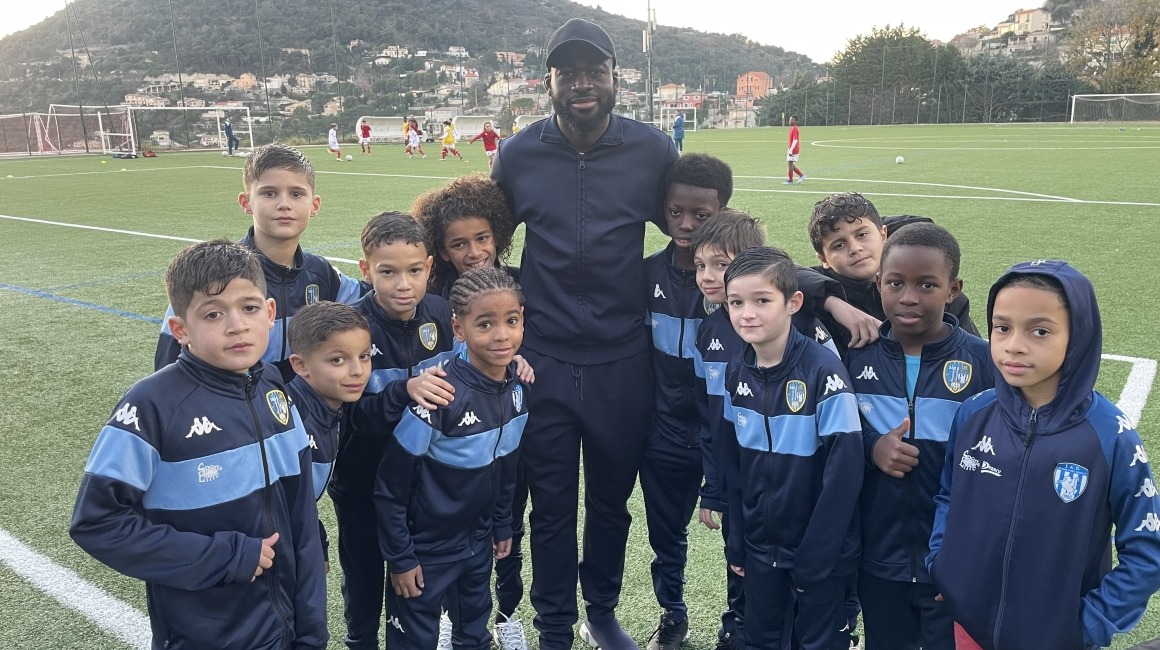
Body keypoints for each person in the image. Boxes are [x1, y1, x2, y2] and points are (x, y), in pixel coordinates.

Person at [490, 17, 679, 650]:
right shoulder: (517, 155)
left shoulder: (653, 151)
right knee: (549, 507)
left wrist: (814, 288)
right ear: (547, 81)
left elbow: (703, 237)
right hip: (541, 360)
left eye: (594, 71)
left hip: (623, 362)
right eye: (567, 73)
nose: (582, 84)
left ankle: (600, 611)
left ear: (615, 77)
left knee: (609, 504)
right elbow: (481, 245)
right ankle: (554, 627)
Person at [70, 239, 328, 649]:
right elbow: (97, 522)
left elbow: (302, 521)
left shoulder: (274, 390)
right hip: (203, 635)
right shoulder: (153, 405)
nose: (236, 325)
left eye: (249, 308)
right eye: (213, 314)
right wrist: (225, 556)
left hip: (285, 634)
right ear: (181, 330)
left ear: (270, 313)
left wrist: (312, 633)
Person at [928, 260, 1160, 650]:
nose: (1014, 345)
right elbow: (950, 496)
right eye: (1002, 327)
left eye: (1039, 331)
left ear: (1078, 337)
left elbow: (1147, 546)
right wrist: (945, 566)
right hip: (970, 629)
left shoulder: (1110, 434)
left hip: (1058, 639)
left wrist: (1090, 623)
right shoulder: (973, 413)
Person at [846, 223, 993, 650]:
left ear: (953, 290)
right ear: (878, 284)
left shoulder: (983, 362)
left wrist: (968, 559)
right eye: (896, 283)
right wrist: (872, 446)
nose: (908, 297)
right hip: (878, 561)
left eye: (926, 285)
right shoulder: (854, 357)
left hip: (953, 564)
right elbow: (832, 435)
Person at [327, 211, 462, 650]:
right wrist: (404, 391)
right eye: (388, 272)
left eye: (414, 271)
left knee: (415, 580)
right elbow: (348, 417)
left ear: (429, 267)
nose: (403, 284)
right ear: (366, 270)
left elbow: (466, 372)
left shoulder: (441, 312)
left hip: (424, 484)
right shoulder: (349, 327)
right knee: (364, 578)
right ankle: (361, 641)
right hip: (362, 484)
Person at [376, 267, 528, 650]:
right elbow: (390, 487)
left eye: (511, 321)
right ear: (458, 328)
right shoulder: (439, 396)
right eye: (485, 324)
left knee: (474, 636)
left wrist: (502, 525)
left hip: (478, 545)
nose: (501, 335)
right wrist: (401, 557)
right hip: (425, 552)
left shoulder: (518, 391)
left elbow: (505, 470)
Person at [720, 246, 863, 650]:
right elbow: (733, 466)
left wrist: (817, 556)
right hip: (760, 550)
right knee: (761, 639)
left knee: (818, 642)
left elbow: (845, 473)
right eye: (736, 303)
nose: (747, 313)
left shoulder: (824, 371)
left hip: (819, 556)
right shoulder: (736, 371)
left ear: (793, 303)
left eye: (762, 301)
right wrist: (738, 540)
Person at [411, 174, 529, 649]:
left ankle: (507, 614)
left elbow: (524, 342)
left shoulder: (516, 283)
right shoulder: (430, 299)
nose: (474, 251)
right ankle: (448, 613)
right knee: (448, 529)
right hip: (448, 436)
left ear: (498, 234)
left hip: (504, 429)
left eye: (482, 238)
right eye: (459, 244)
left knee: (508, 524)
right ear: (441, 250)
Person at [153, 144, 364, 375]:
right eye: (269, 193)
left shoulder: (321, 273)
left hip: (299, 399)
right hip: (231, 398)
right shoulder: (210, 272)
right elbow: (169, 366)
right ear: (246, 202)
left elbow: (377, 300)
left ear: (314, 206)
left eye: (296, 194)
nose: (284, 204)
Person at [640, 152, 734, 650]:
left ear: (722, 213)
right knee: (666, 535)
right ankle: (672, 614)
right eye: (676, 212)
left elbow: (790, 280)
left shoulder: (738, 280)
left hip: (728, 433)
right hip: (664, 433)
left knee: (741, 536)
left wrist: (829, 295)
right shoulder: (643, 274)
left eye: (701, 215)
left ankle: (739, 623)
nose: (686, 224)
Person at [690, 210, 766, 650]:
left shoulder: (787, 323)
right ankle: (736, 628)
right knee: (737, 561)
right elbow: (710, 418)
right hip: (735, 477)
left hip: (784, 475)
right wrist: (713, 489)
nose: (707, 275)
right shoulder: (707, 331)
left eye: (720, 264)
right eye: (700, 264)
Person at [808, 192, 978, 357]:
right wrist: (833, 303)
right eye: (839, 245)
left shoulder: (939, 293)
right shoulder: (816, 289)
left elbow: (973, 355)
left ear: (883, 235)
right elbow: (792, 273)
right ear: (824, 259)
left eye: (862, 235)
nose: (855, 248)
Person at [286, 301, 373, 573]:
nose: (358, 371)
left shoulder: (332, 408)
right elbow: (282, 504)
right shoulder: (290, 420)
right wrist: (316, 543)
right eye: (338, 360)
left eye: (364, 356)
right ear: (300, 365)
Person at [786, 115, 805, 184]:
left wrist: (791, 150)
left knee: (790, 164)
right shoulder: (792, 128)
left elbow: (795, 140)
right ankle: (801, 175)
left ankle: (791, 180)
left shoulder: (795, 129)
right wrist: (789, 148)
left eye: (792, 120)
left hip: (794, 150)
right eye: (790, 120)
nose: (790, 121)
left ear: (796, 121)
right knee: (790, 164)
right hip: (792, 149)